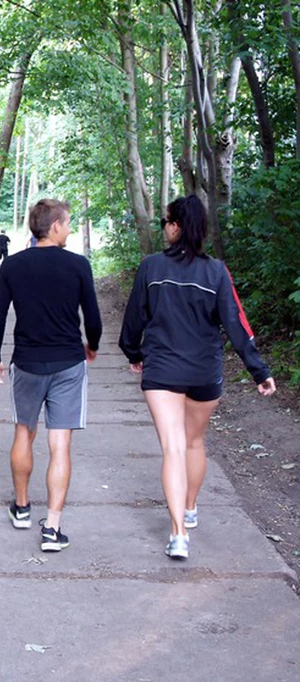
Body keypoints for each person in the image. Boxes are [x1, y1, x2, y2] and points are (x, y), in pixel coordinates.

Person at [119, 195, 276, 561]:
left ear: (176, 226)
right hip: (204, 372)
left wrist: (134, 353)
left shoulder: (151, 267)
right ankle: (189, 508)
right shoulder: (216, 271)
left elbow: (133, 321)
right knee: (194, 443)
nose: (164, 228)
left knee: (173, 447)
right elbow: (236, 324)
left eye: (165, 222)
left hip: (162, 371)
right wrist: (260, 371)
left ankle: (178, 534)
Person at [0, 199, 102, 552]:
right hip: (68, 362)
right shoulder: (78, 265)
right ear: (54, 226)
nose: (68, 229)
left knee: (24, 430)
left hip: (28, 363)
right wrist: (91, 345)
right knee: (60, 443)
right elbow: (93, 319)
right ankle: (52, 528)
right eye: (67, 224)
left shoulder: (13, 266)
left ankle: (22, 509)